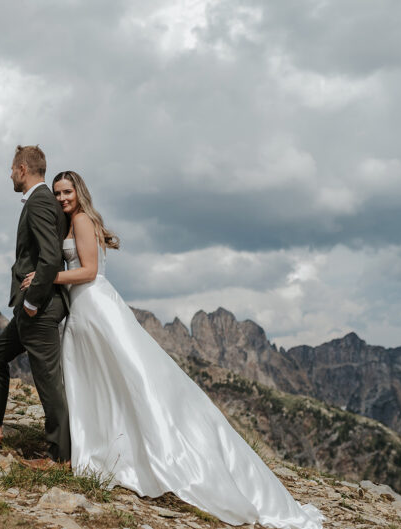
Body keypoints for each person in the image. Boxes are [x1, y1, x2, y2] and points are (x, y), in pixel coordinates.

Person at [20, 170, 324, 528]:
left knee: (130, 375)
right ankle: (97, 446)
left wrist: (47, 278)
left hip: (95, 305)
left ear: (79, 192)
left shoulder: (83, 220)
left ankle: (142, 448)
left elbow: (88, 271)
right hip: (82, 310)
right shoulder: (68, 222)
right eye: (56, 193)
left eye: (66, 191)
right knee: (97, 379)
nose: (61, 198)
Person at [0, 145, 71, 466]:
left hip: (39, 308)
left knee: (48, 383)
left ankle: (60, 457)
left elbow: (51, 257)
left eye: (11, 168)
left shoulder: (38, 203)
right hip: (30, 309)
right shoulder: (44, 202)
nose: (9, 174)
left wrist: (34, 302)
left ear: (23, 169)